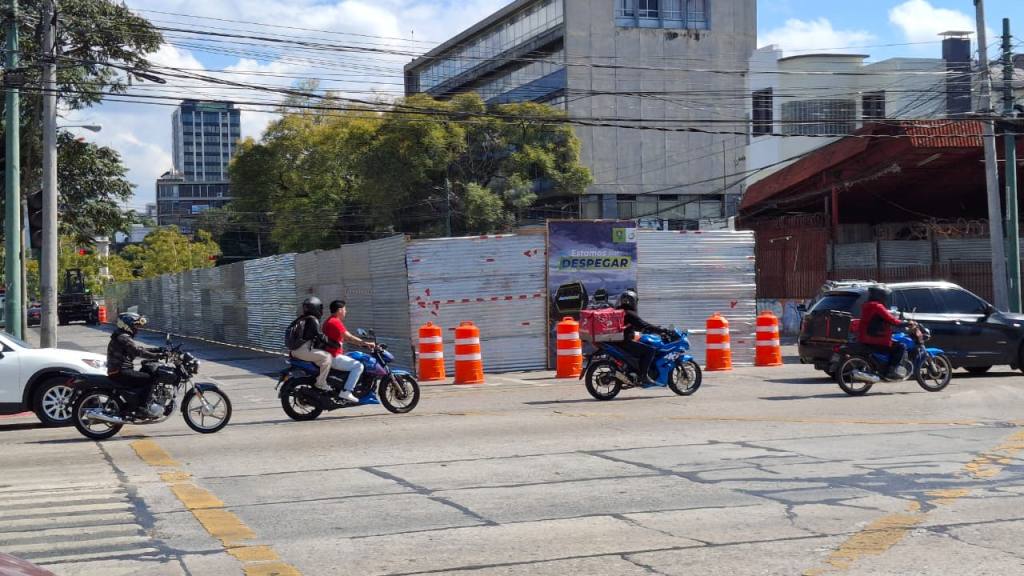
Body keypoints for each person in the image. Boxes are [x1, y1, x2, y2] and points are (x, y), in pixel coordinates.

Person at [107, 312, 165, 413]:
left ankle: (136, 402)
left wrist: (158, 350)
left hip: (119, 370)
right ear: (127, 325)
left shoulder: (120, 335)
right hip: (121, 371)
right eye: (135, 326)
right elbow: (138, 351)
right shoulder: (123, 337)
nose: (137, 329)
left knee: (145, 373)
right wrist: (158, 356)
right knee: (151, 379)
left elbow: (138, 349)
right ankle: (142, 407)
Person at [322, 300, 375, 404]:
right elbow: (348, 336)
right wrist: (366, 343)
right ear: (340, 310)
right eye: (345, 309)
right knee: (358, 366)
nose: (346, 312)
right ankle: (347, 391)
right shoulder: (335, 322)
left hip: (330, 355)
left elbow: (345, 339)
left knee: (353, 358)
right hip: (334, 356)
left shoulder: (329, 321)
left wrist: (361, 343)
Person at [617, 289, 669, 384]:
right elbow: (644, 325)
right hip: (625, 342)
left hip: (617, 342)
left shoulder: (618, 311)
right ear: (633, 301)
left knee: (642, 346)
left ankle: (633, 370)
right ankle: (644, 376)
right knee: (650, 351)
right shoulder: (630, 314)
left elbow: (636, 326)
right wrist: (661, 330)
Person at [857, 285, 907, 378]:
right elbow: (892, 320)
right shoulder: (877, 306)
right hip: (876, 339)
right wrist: (905, 323)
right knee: (901, 346)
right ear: (880, 296)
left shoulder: (867, 306)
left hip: (865, 337)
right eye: (884, 295)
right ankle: (891, 370)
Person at [287, 297, 333, 393]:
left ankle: (316, 378)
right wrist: (333, 343)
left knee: (321, 357)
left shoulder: (302, 318)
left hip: (295, 351)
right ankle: (321, 383)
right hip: (303, 351)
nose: (321, 310)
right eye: (320, 307)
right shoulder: (313, 320)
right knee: (327, 357)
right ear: (315, 307)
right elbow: (320, 335)